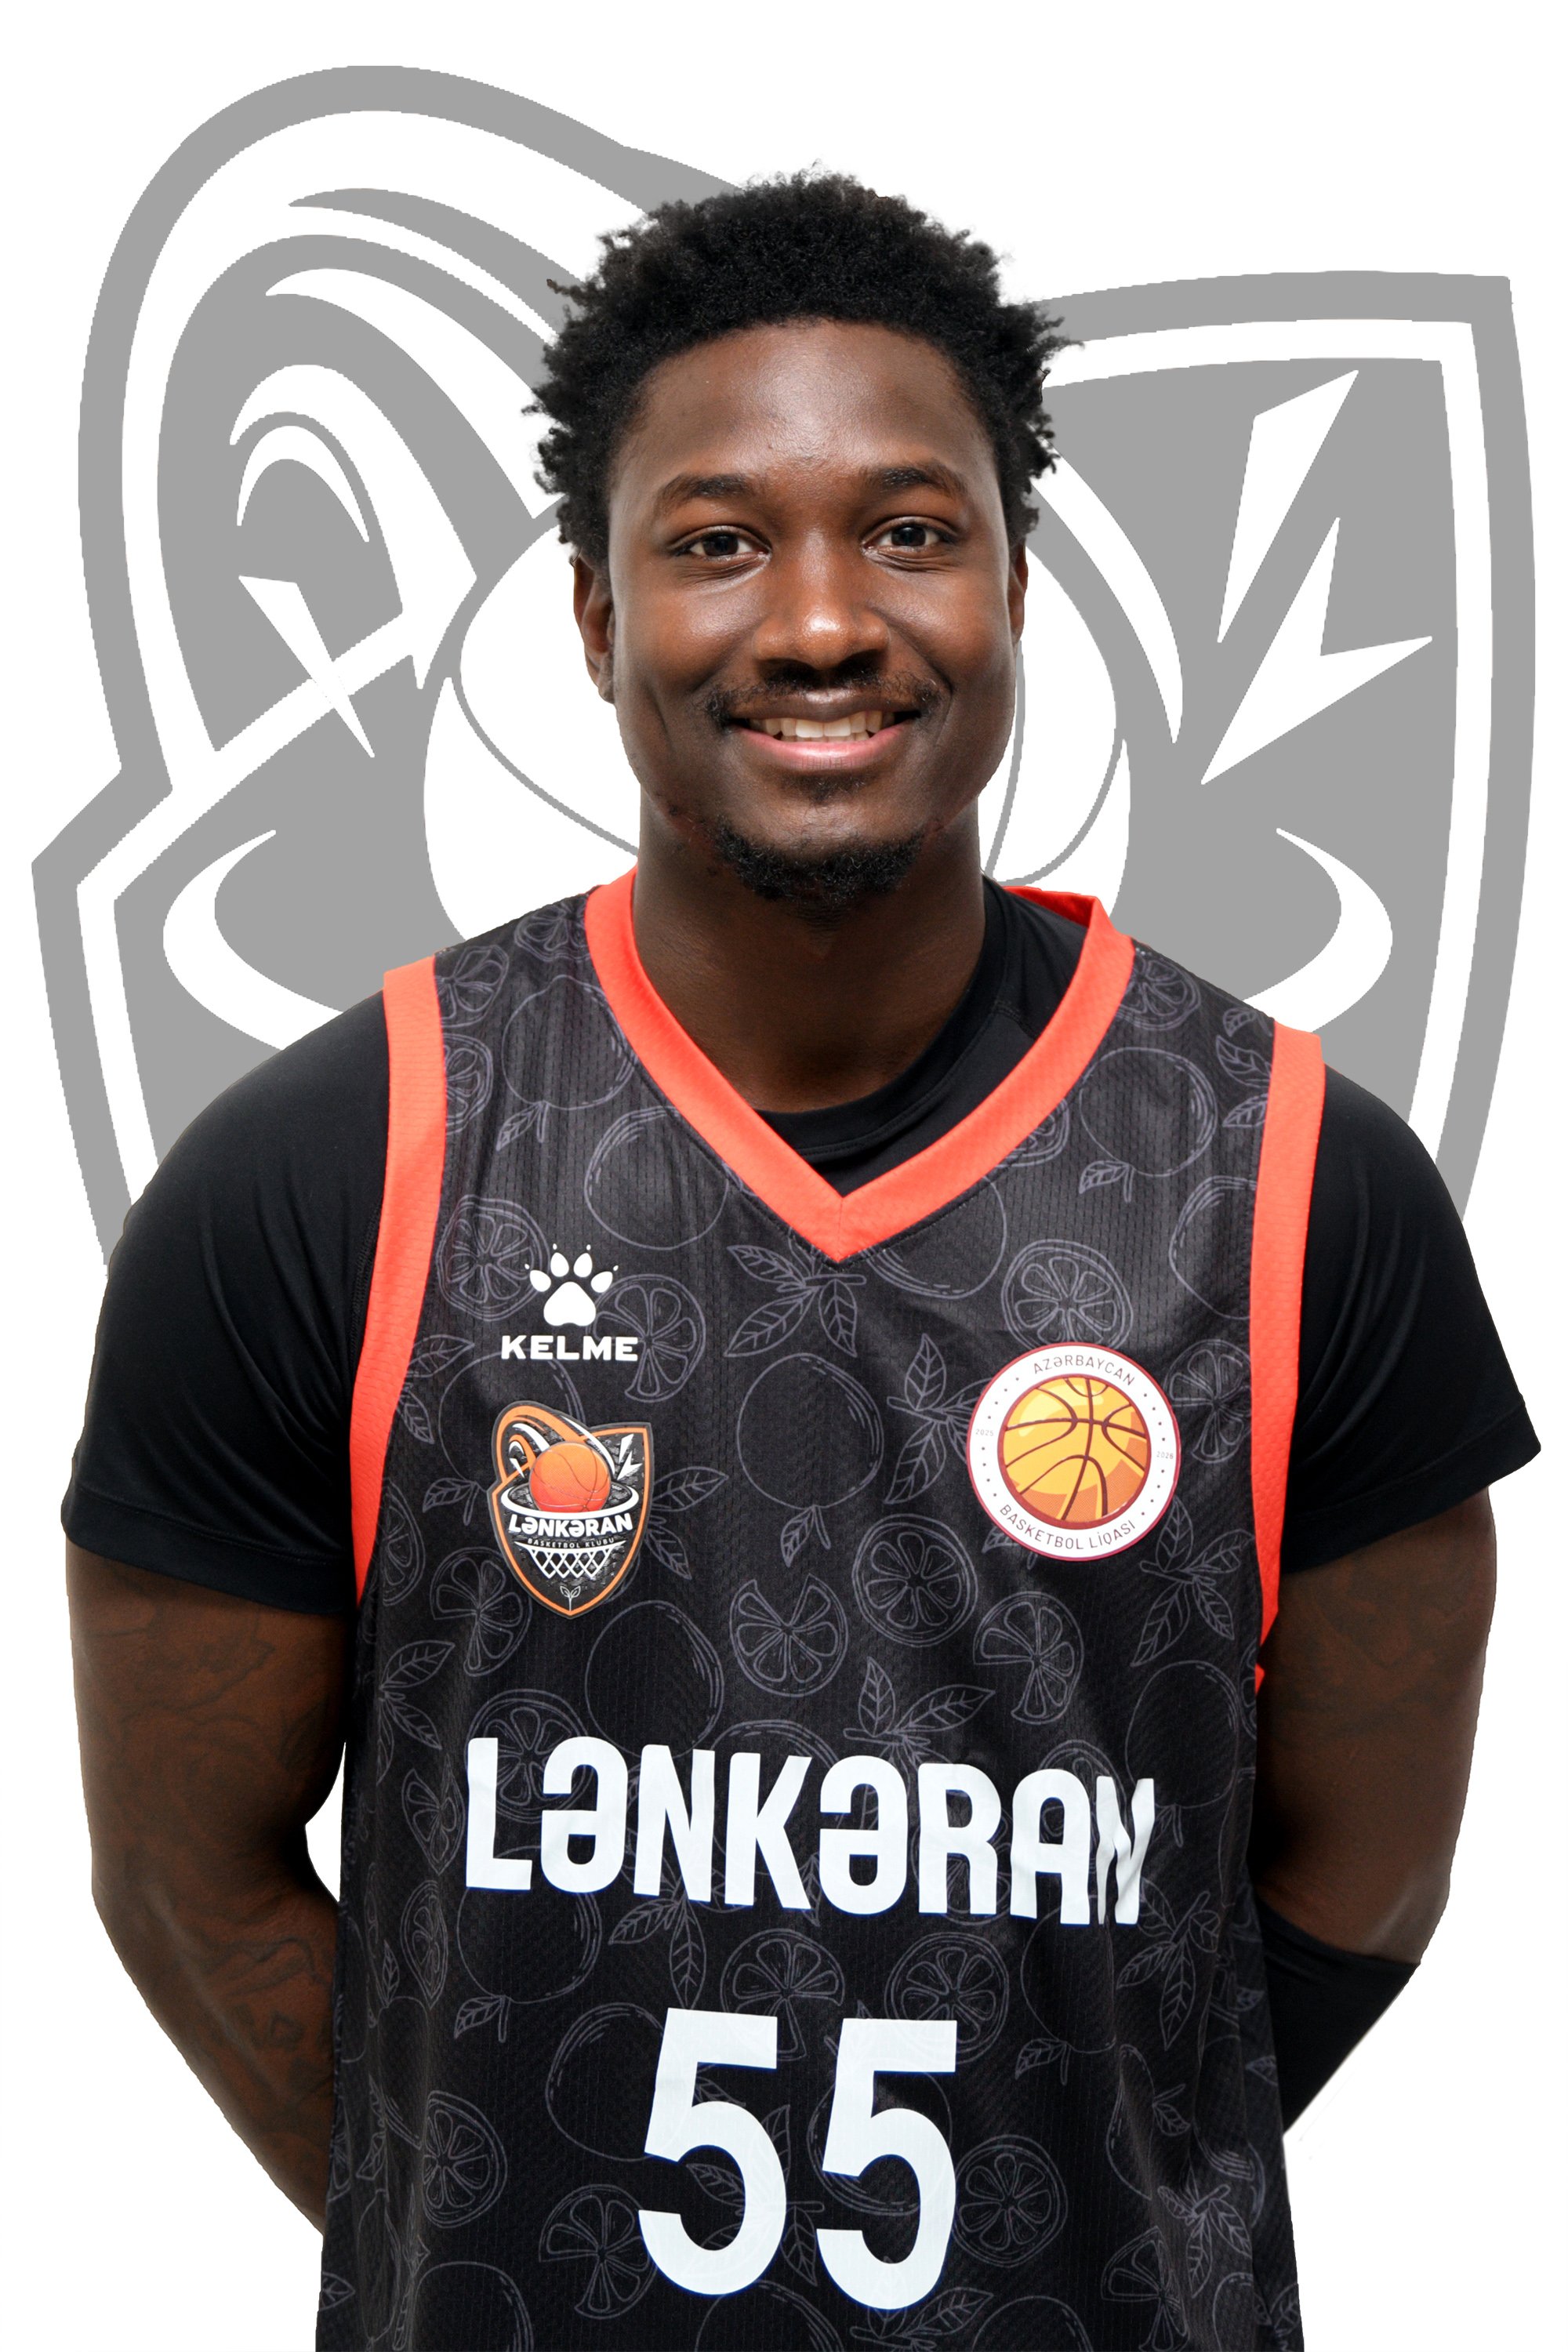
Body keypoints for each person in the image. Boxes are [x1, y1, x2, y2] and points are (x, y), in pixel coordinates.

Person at [64, 175, 1534, 2352]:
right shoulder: (324, 1172)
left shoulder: (1304, 1180)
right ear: (594, 615)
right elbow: (187, 1882)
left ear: (1018, 585)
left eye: (913, 531)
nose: (825, 621)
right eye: (719, 541)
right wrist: (491, 2218)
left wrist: (1084, 2178)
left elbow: (1368, 1869)